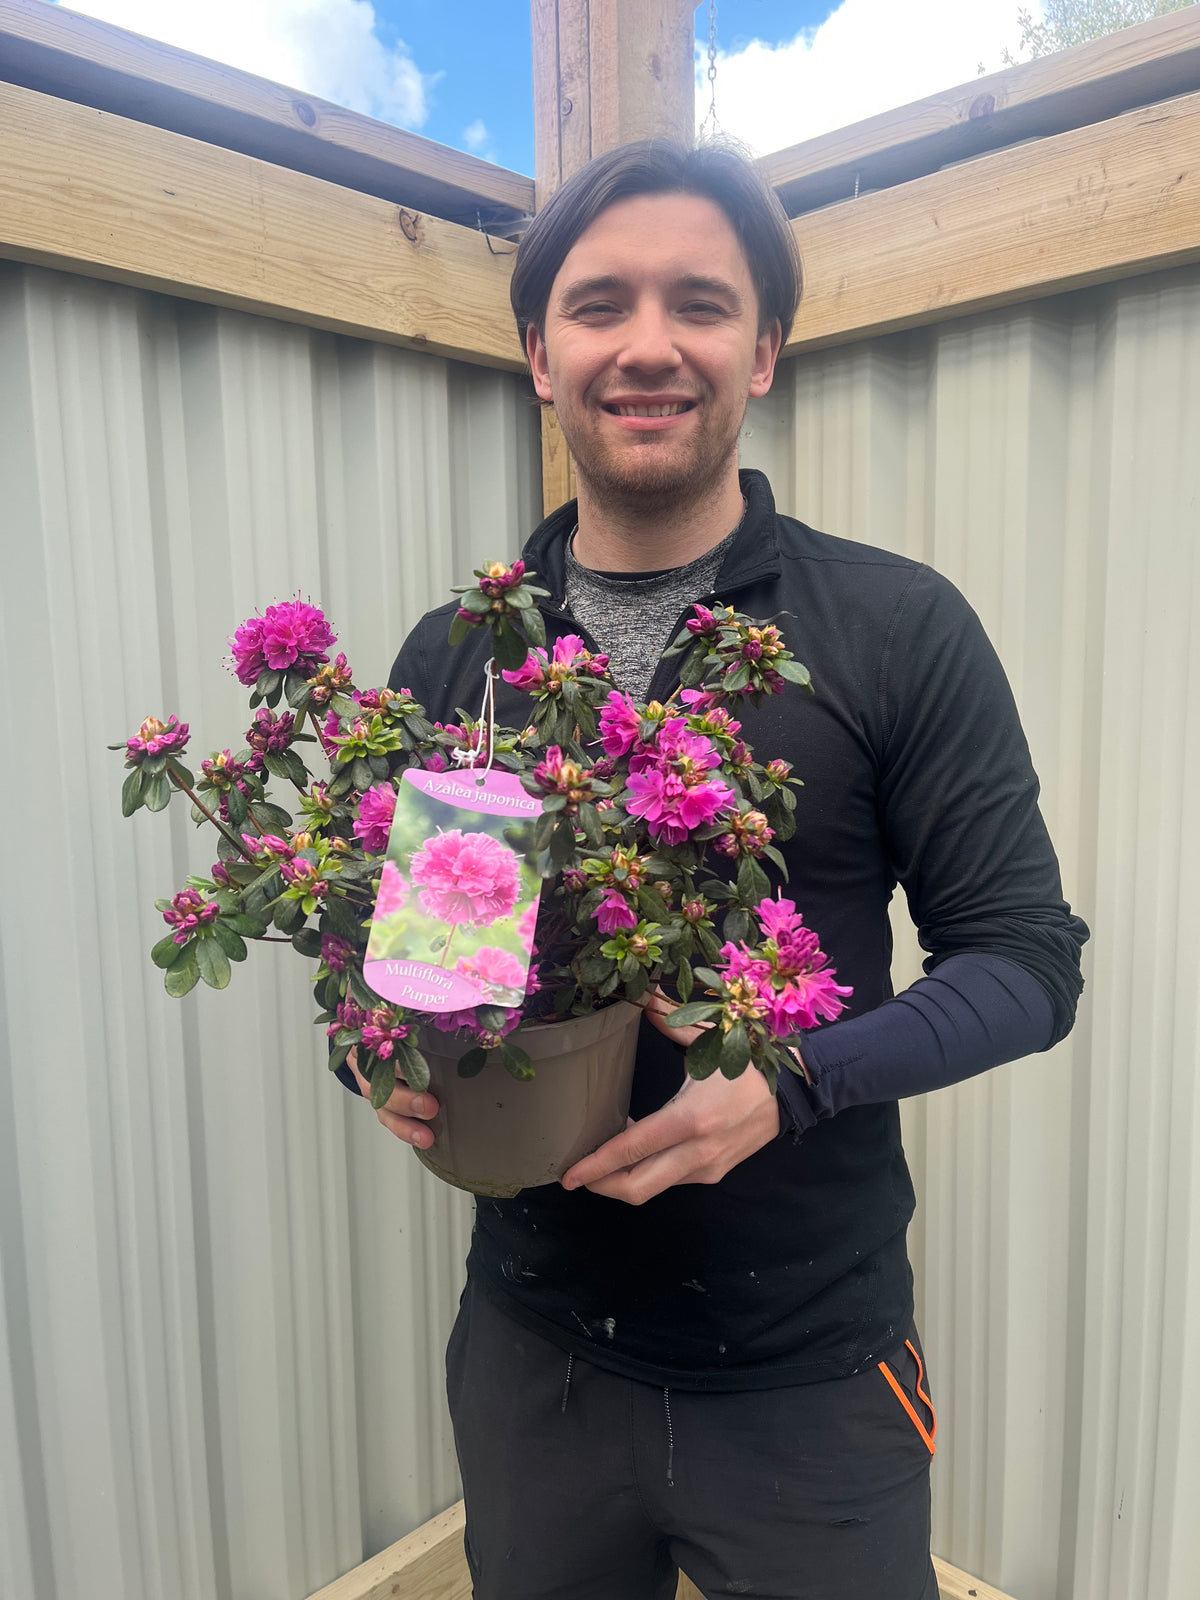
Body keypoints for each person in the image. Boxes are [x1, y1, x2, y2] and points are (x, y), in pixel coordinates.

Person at [344, 141, 1088, 1600]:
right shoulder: (458, 656)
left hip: (806, 1376)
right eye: (600, 302)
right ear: (540, 355)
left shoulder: (890, 626)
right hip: (532, 1356)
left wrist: (798, 1077)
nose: (648, 343)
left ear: (765, 349)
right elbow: (422, 962)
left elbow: (1025, 961)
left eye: (699, 300)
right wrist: (381, 1055)